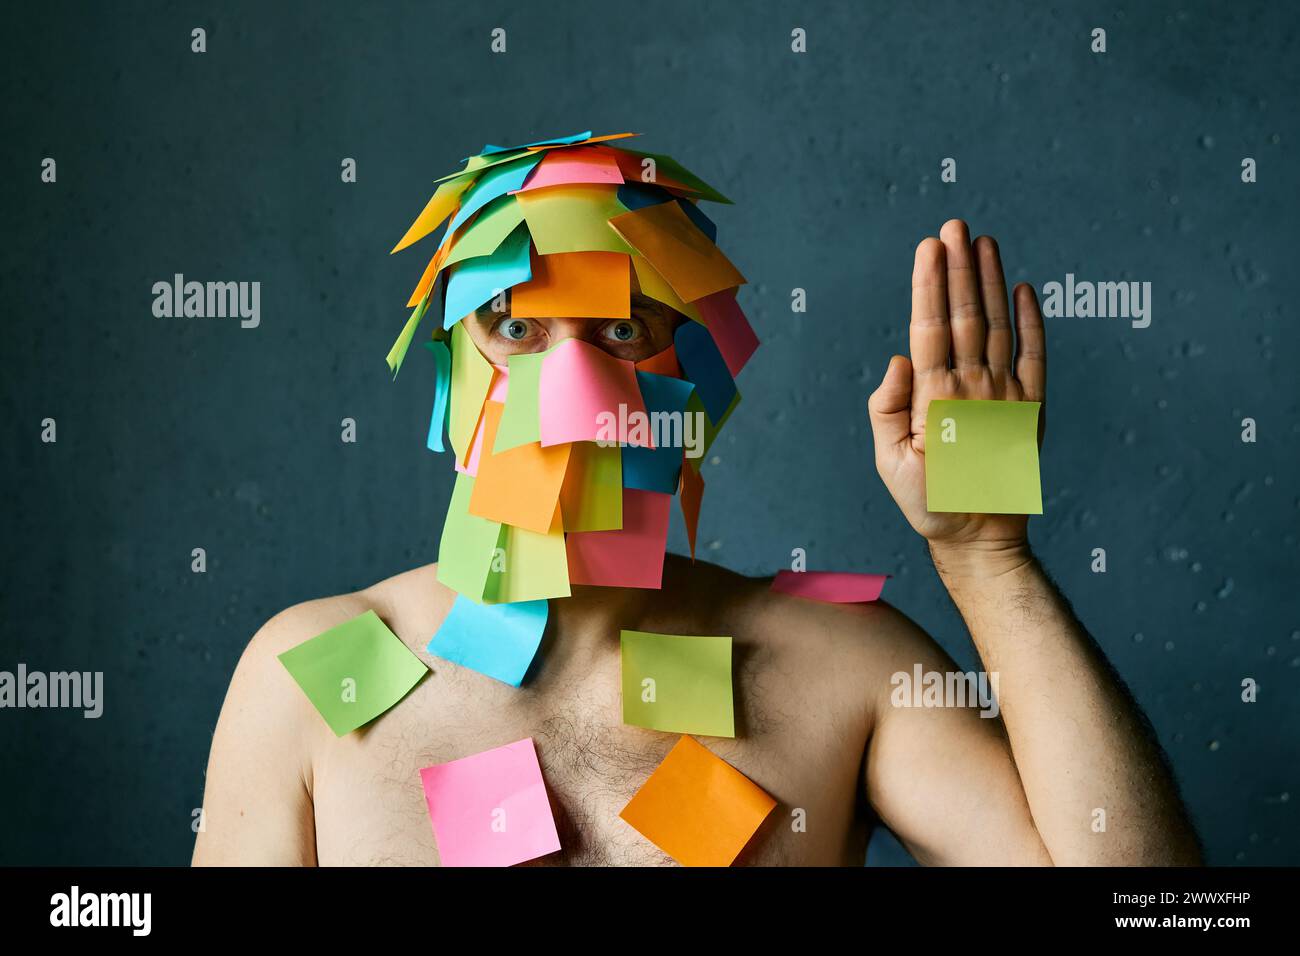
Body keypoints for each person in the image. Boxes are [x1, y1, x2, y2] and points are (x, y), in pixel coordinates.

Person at [192, 132, 1200, 866]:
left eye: (627, 333)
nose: (574, 394)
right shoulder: (307, 677)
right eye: (515, 325)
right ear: (453, 368)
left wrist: (985, 553)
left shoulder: (836, 664)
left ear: (702, 379)